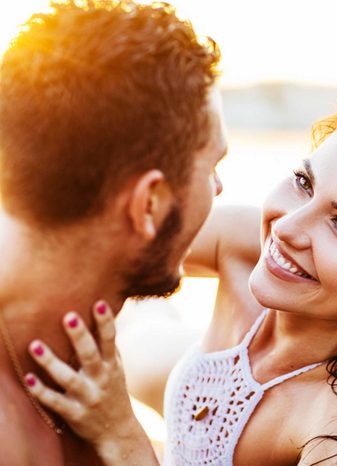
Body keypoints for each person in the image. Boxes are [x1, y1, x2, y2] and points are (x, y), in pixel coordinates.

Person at [26, 95, 337, 465]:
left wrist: (119, 433)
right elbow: (108, 235)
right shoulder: (252, 242)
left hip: (165, 398)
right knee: (138, 325)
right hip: (178, 363)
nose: (286, 226)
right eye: (305, 182)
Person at [0, 1, 225, 464]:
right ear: (149, 204)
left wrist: (124, 437)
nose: (219, 188)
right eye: (213, 167)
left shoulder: (82, 373)